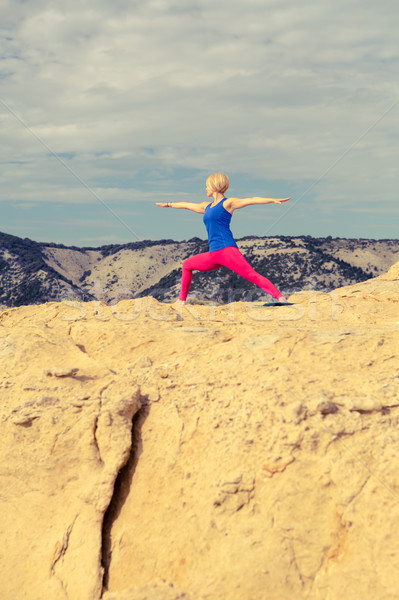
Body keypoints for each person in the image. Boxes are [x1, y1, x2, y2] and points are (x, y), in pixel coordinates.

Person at [156, 173, 290, 304]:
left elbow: (251, 200)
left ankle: (280, 298)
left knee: (251, 275)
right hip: (213, 254)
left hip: (227, 250)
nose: (205, 189)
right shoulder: (206, 206)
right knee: (187, 265)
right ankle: (181, 300)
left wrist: (272, 200)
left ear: (214, 186)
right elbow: (187, 205)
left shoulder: (228, 203)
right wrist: (168, 204)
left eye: (207, 186)